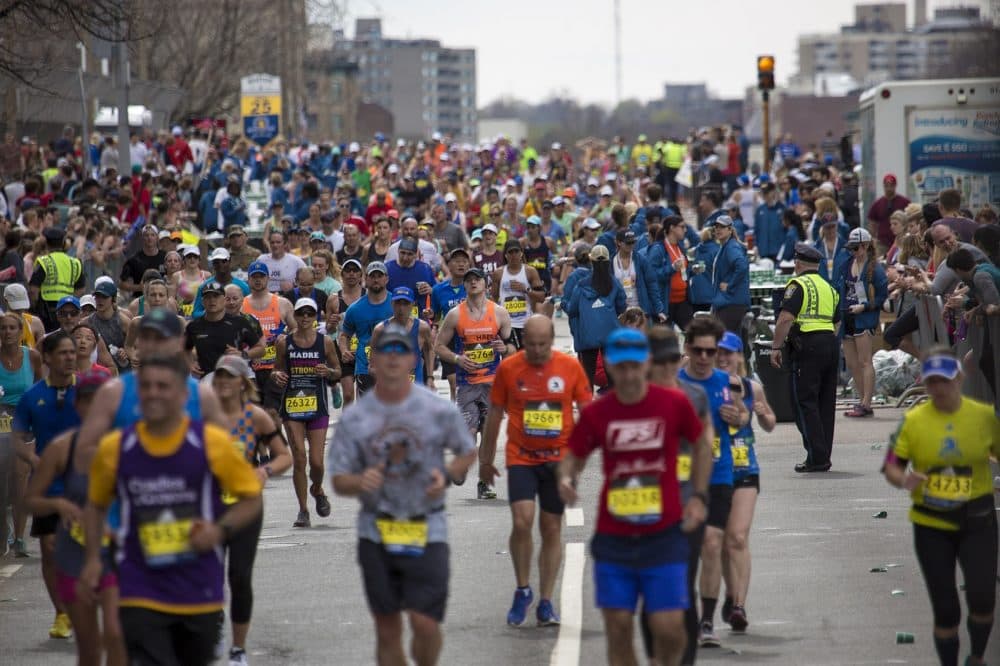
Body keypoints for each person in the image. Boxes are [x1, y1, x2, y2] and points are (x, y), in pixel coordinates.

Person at [79, 353, 263, 666]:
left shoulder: (212, 443)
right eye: (145, 387)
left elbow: (251, 499)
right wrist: (94, 558)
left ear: (182, 394)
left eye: (163, 386)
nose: (153, 393)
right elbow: (95, 506)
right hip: (139, 585)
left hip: (198, 589)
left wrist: (219, 530)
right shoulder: (115, 448)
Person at [557, 328, 711, 666]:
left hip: (665, 534)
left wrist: (699, 496)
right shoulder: (599, 412)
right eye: (620, 368)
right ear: (610, 368)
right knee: (619, 628)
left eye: (634, 366)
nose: (628, 375)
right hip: (614, 540)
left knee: (670, 630)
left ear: (646, 364)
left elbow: (701, 444)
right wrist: (567, 477)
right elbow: (574, 453)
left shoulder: (673, 403)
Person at [329, 325, 478, 666]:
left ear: (413, 359)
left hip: (427, 525)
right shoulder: (355, 418)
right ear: (374, 360)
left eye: (400, 351)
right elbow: (338, 480)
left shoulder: (436, 409)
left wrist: (449, 473)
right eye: (385, 352)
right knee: (387, 627)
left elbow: (466, 451)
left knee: (425, 624)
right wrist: (359, 481)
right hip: (377, 529)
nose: (393, 359)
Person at [882, 348, 998, 666]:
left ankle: (976, 655)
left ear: (958, 379)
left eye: (944, 381)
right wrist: (904, 479)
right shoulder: (914, 422)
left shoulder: (983, 417)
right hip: (931, 524)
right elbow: (892, 465)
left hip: (978, 520)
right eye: (931, 383)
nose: (938, 390)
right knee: (946, 608)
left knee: (982, 598)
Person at [478, 315, 592, 626]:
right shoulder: (509, 368)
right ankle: (523, 588)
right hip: (522, 456)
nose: (538, 350)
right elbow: (495, 414)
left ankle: (545, 601)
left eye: (543, 344)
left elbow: (588, 415)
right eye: (531, 344)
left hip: (559, 460)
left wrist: (577, 463)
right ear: (522, 341)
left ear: (552, 340)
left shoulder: (569, 368)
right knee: (522, 519)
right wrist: (485, 461)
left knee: (551, 528)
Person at [23, 368, 126, 666]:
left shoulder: (127, 444)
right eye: (87, 400)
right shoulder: (60, 448)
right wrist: (59, 504)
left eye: (100, 401)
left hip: (115, 552)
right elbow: (31, 501)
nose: (94, 407)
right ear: (77, 405)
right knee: (90, 648)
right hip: (73, 556)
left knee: (116, 634)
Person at [639, 326, 715, 666]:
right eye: (662, 361)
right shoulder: (634, 398)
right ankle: (657, 657)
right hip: (644, 509)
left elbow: (703, 450)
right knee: (651, 591)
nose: (670, 367)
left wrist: (699, 497)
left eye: (674, 360)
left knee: (682, 587)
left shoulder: (694, 397)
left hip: (685, 508)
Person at [211, 355, 291, 666]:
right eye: (219, 378)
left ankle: (238, 649)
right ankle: (213, 625)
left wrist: (264, 472)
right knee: (210, 574)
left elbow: (284, 456)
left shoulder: (255, 417)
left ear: (243, 382)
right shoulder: (204, 416)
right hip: (211, 505)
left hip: (246, 506)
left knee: (239, 577)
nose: (223, 383)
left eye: (230, 377)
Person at [677, 316, 747, 648]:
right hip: (681, 477)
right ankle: (684, 611)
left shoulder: (727, 382)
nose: (705, 358)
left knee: (712, 543)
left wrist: (738, 417)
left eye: (711, 351)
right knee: (684, 554)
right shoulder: (673, 382)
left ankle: (706, 621)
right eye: (699, 351)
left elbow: (742, 417)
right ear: (687, 348)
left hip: (719, 474)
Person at [13, 331, 81, 638]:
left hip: (85, 485)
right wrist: (35, 461)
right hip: (49, 488)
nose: (70, 357)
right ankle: (61, 614)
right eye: (63, 353)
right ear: (49, 358)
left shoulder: (90, 392)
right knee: (51, 550)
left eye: (72, 352)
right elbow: (17, 437)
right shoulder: (32, 397)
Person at [433, 267, 515, 500]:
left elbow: (513, 348)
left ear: (486, 284)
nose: (473, 283)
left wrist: (504, 348)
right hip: (467, 385)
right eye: (469, 280)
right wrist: (458, 359)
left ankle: (484, 482)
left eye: (477, 279)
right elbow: (439, 346)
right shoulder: (455, 315)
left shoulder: (499, 313)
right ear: (465, 286)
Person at [714, 332, 775, 635]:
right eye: (718, 353)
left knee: (738, 536)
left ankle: (739, 604)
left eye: (729, 353)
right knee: (724, 542)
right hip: (716, 471)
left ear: (739, 356)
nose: (723, 358)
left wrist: (763, 415)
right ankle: (729, 592)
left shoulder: (753, 388)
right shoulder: (708, 388)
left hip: (746, 469)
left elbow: (770, 423)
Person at [770, 243, 840, 473]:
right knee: (825, 403)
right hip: (830, 344)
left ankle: (816, 457)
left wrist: (776, 347)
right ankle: (822, 453)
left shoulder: (797, 285)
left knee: (805, 402)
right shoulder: (829, 287)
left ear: (798, 264)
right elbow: (837, 321)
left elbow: (785, 319)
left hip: (807, 346)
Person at [272, 297, 341, 528]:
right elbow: (276, 369)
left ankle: (317, 488)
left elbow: (337, 371)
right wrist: (277, 376)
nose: (304, 318)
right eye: (301, 313)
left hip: (318, 405)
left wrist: (328, 371)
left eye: (309, 314)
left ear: (315, 316)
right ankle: (303, 510)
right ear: (296, 315)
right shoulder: (285, 343)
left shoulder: (325, 343)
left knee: (317, 463)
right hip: (292, 405)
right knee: (300, 458)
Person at [0, 311, 43, 558]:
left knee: (20, 481)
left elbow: (39, 389)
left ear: (20, 332)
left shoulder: (32, 357)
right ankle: (3, 528)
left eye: (12, 328)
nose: (7, 333)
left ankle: (18, 537)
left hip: (23, 425)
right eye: (3, 328)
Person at [839, 228, 888, 419]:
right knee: (852, 363)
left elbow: (882, 299)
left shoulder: (875, 269)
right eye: (850, 249)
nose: (853, 252)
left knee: (865, 360)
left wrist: (865, 306)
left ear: (866, 246)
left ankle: (867, 402)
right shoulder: (846, 264)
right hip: (847, 316)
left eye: (856, 248)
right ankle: (861, 400)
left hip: (864, 317)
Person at [564, 245, 626, 388]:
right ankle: (614, 407)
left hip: (587, 336)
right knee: (612, 376)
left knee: (587, 376)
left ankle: (587, 407)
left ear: (591, 261)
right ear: (608, 262)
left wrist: (563, 305)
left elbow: (572, 310)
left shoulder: (581, 284)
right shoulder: (614, 283)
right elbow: (622, 306)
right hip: (610, 335)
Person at [184, 281, 265, 378]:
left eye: (216, 296)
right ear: (202, 302)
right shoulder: (194, 326)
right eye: (208, 297)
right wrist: (190, 363)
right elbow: (183, 349)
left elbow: (261, 349)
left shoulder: (239, 322)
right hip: (205, 382)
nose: (212, 300)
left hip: (232, 380)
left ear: (223, 300)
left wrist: (243, 354)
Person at [339, 261, 393, 399]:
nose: (376, 279)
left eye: (379, 276)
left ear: (386, 278)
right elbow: (344, 335)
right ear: (365, 279)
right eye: (372, 276)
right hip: (365, 368)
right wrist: (344, 350)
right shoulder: (355, 309)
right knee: (368, 414)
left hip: (393, 366)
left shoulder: (396, 304)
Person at [372, 287, 435, 387]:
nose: (401, 308)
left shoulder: (422, 327)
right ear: (392, 304)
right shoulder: (380, 330)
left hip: (416, 385)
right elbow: (373, 363)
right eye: (398, 303)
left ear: (412, 304)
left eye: (405, 303)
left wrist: (430, 377)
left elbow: (430, 350)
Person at [431, 249, 470, 401]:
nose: (461, 264)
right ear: (449, 266)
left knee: (469, 383)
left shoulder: (474, 286)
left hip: (470, 339)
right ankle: (456, 414)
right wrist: (432, 319)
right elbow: (436, 316)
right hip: (449, 340)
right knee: (455, 384)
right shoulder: (438, 290)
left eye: (464, 261)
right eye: (456, 261)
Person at [491, 240, 545, 349]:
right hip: (506, 323)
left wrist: (526, 289)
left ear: (521, 253)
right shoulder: (498, 273)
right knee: (510, 354)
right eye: (510, 252)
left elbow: (542, 297)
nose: (514, 255)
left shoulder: (530, 271)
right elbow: (493, 299)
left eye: (516, 251)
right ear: (505, 255)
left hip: (526, 323)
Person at [28, 227, 85, 332]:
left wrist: (35, 308)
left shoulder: (44, 261)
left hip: (46, 311)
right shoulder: (75, 262)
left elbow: (33, 289)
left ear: (46, 243)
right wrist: (71, 304)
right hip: (68, 311)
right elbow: (80, 290)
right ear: (63, 242)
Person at [710, 216, 750, 336]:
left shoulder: (731, 247)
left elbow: (742, 266)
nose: (718, 229)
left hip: (731, 303)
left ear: (730, 229)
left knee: (724, 342)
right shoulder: (726, 246)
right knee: (732, 342)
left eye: (722, 227)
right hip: (731, 302)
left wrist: (730, 285)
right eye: (716, 227)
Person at [867, 174, 910, 255]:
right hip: (882, 243)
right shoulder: (877, 204)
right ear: (883, 186)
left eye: (891, 185)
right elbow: (872, 223)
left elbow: (910, 219)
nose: (889, 188)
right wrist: (873, 239)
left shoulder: (904, 202)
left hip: (901, 241)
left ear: (895, 185)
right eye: (887, 185)